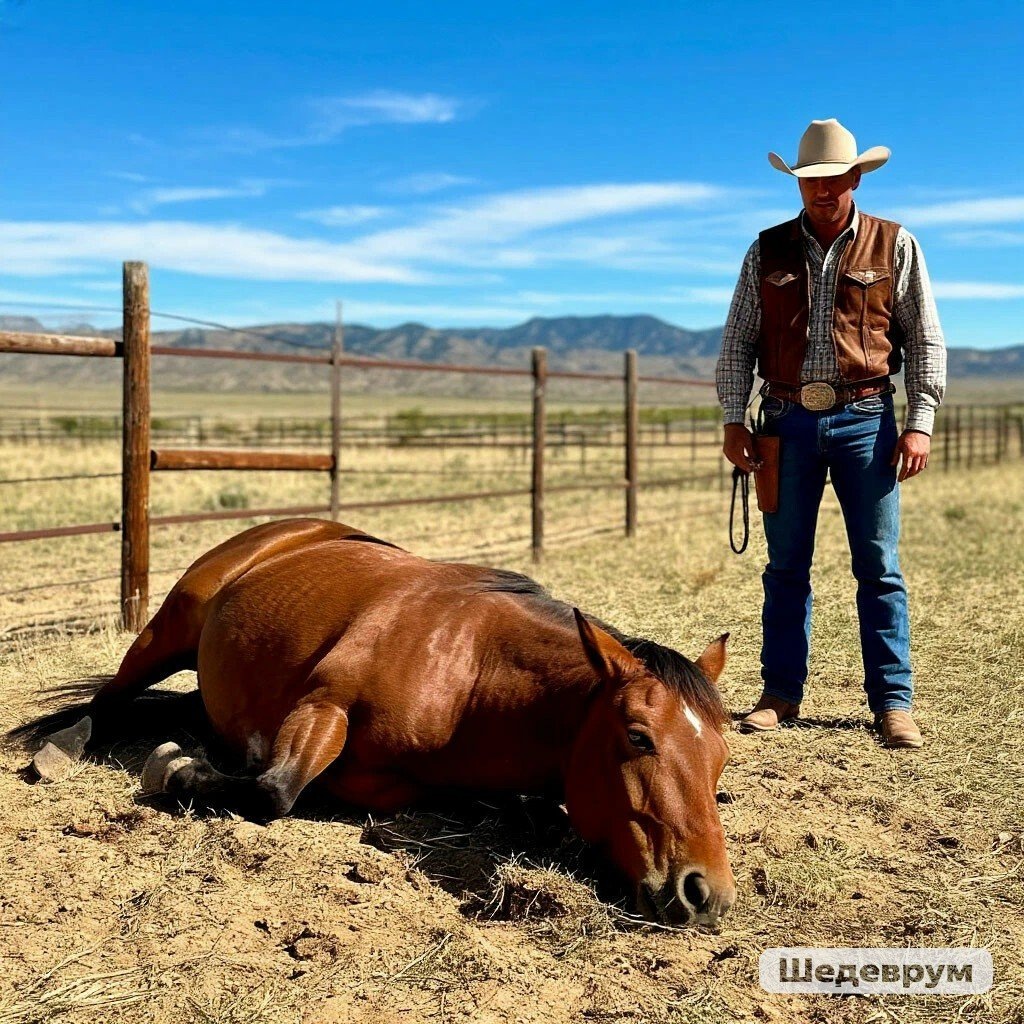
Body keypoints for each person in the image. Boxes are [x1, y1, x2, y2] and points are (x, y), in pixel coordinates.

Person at [716, 118, 946, 749]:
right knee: (785, 565)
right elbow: (737, 341)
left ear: (854, 177)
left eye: (831, 179)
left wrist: (920, 423)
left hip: (866, 419)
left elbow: (924, 336)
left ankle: (893, 703)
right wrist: (735, 417)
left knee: (879, 567)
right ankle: (779, 694)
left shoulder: (893, 244)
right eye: (808, 180)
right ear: (798, 183)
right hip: (784, 421)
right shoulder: (766, 250)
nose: (820, 190)